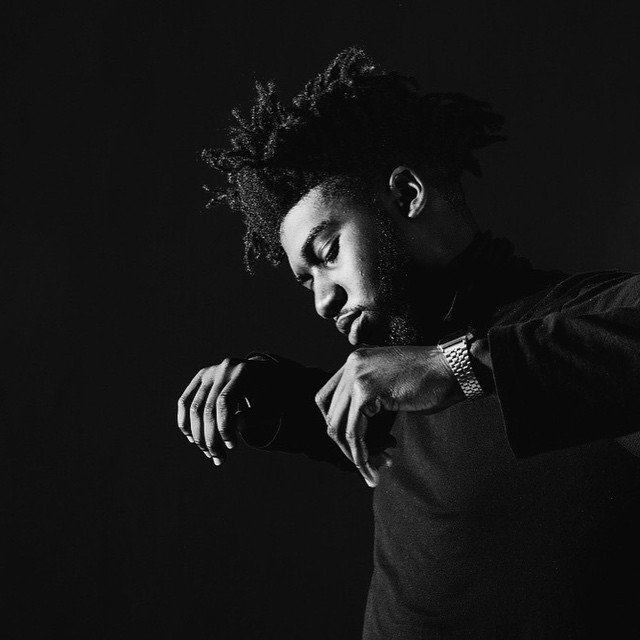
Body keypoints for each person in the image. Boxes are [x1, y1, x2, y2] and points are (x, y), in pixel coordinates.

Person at [177, 48, 640, 638]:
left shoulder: (578, 315)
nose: (322, 300)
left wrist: (459, 366)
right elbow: (425, 444)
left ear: (406, 194)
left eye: (327, 254)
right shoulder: (401, 384)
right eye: (307, 281)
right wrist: (263, 388)